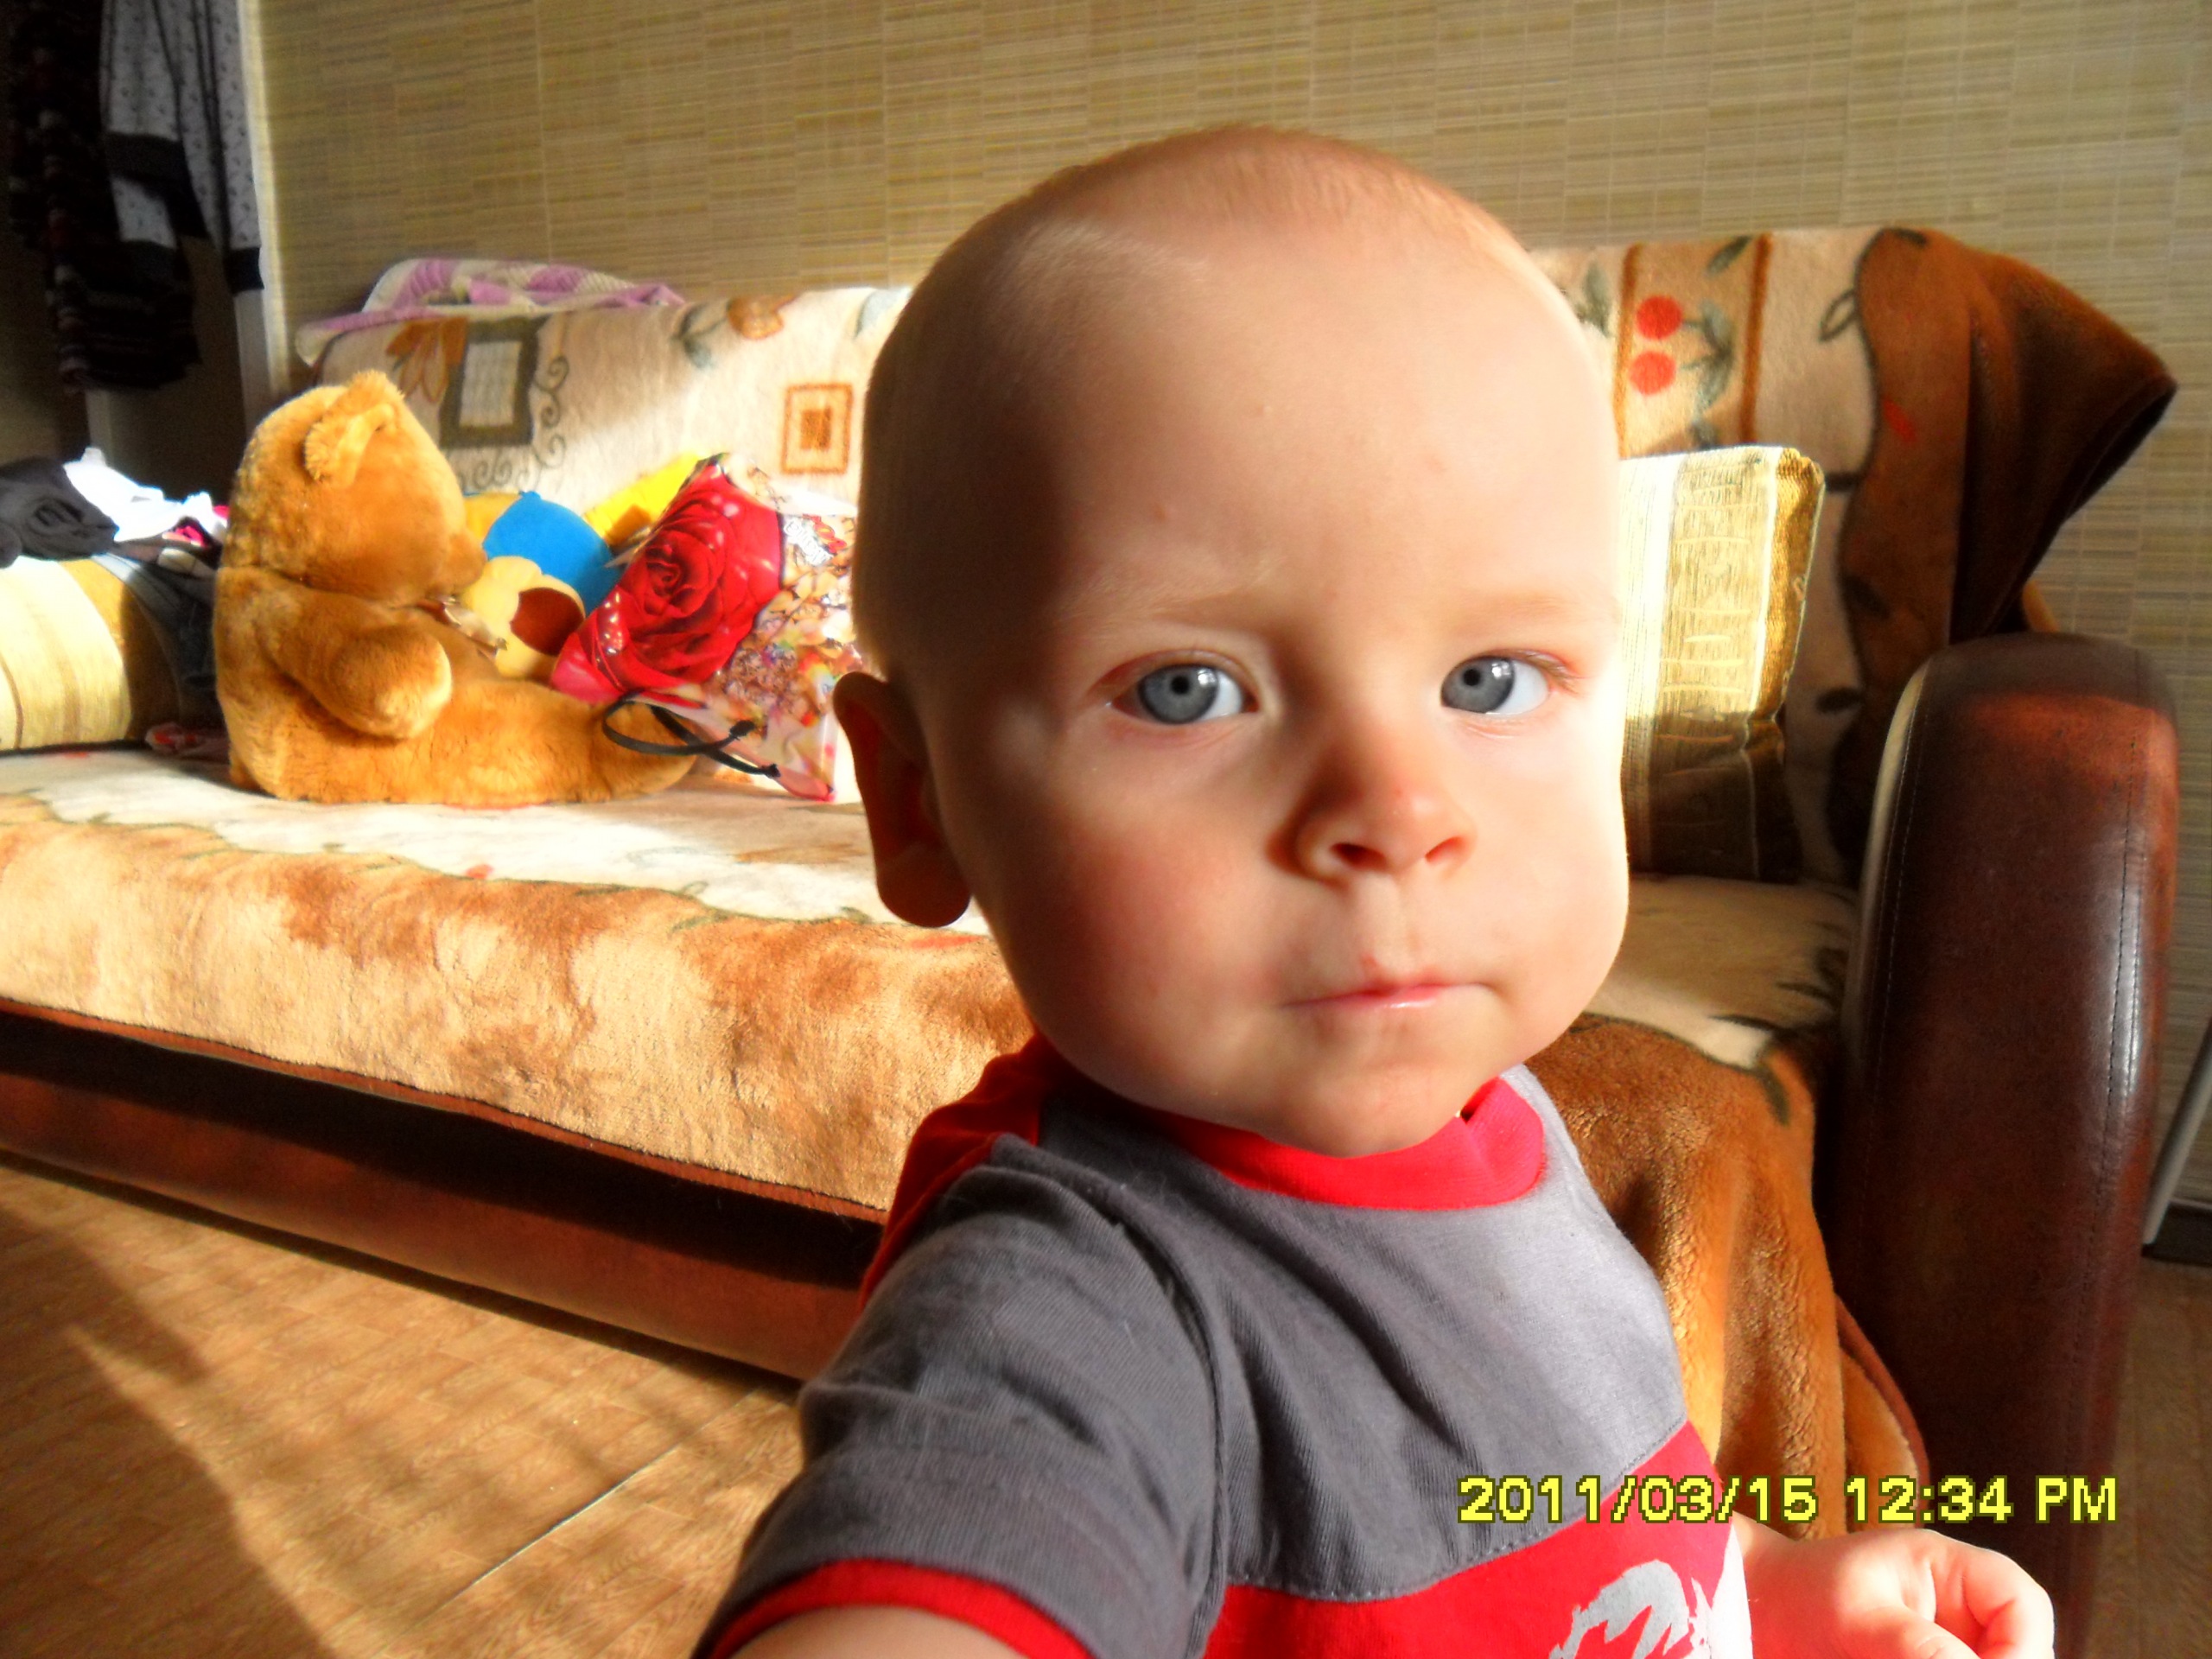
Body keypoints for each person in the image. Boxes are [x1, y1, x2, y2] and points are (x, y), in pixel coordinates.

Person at [694, 127, 2056, 1659]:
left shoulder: (1505, 1124)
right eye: (1188, 689)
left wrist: (1757, 1592)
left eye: (1490, 678)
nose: (1399, 816)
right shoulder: (1077, 1309)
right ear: (917, 800)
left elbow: (1559, 1518)